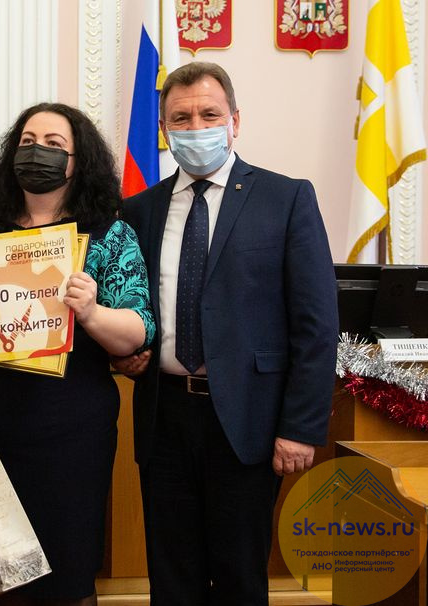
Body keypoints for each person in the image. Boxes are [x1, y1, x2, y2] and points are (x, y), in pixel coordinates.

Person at [115, 62, 338, 605]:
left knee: (240, 579)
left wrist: (301, 427)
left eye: (209, 114)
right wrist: (129, 353)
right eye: (181, 118)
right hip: (164, 417)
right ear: (164, 129)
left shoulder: (286, 199)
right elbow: (131, 304)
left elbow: (316, 324)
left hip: (249, 420)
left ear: (235, 121)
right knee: (172, 579)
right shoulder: (139, 210)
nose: (196, 127)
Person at [0, 102, 156, 605]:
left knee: (67, 569)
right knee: (1, 571)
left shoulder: (107, 234)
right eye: (28, 142)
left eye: (55, 145)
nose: (38, 153)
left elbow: (138, 332)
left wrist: (93, 313)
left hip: (71, 430)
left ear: (79, 161)